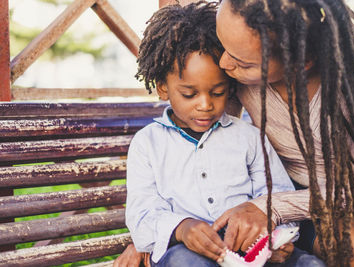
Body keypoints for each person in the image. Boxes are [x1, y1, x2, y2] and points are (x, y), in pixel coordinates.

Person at [115, 0, 354, 266]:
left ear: (300, 61)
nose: (225, 65)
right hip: (306, 206)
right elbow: (210, 150)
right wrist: (156, 235)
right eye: (222, 44)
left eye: (242, 61)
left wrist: (269, 209)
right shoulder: (236, 73)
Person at [123, 2, 324, 267]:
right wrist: (181, 228)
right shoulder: (148, 144)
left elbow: (277, 193)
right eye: (189, 94)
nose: (205, 104)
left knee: (309, 264)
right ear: (162, 88)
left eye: (217, 93)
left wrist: (273, 241)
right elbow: (142, 212)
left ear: (230, 87)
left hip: (252, 249)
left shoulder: (249, 138)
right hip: (187, 252)